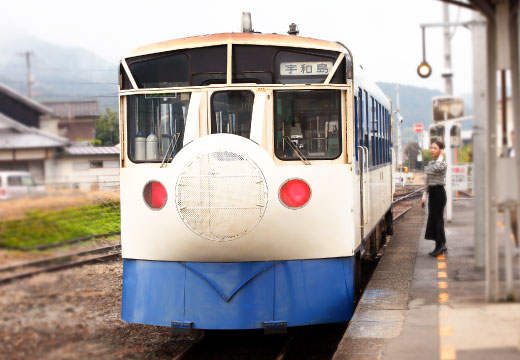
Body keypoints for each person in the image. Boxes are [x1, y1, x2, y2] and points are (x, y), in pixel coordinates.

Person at [422, 140, 448, 257]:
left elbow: (438, 168)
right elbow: (427, 182)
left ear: (441, 150)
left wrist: (442, 155)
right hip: (432, 194)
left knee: (438, 219)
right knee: (433, 220)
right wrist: (424, 196)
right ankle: (438, 246)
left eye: (435, 148)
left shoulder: (442, 163)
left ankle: (442, 245)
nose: (432, 150)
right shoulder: (430, 164)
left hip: (439, 193)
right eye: (431, 148)